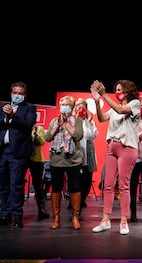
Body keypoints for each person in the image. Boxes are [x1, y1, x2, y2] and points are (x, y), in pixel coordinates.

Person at [90, 80, 141, 235]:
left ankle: (124, 222)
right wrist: (98, 101)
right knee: (108, 185)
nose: (117, 92)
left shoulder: (135, 104)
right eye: (116, 90)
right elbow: (101, 118)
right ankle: (105, 220)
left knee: (124, 186)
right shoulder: (113, 108)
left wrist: (104, 94)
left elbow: (120, 110)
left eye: (120, 90)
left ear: (128, 90)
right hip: (112, 147)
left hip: (127, 148)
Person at [0, 81, 37, 228]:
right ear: (10, 93)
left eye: (20, 93)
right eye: (15, 93)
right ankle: (5, 214)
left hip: (18, 153)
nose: (17, 96)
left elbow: (28, 125)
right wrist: (5, 117)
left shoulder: (29, 108)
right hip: (3, 151)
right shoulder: (3, 107)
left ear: (25, 95)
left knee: (16, 185)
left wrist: (14, 115)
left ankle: (17, 216)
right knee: (3, 186)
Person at [44, 95, 84, 230]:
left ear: (72, 107)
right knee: (56, 188)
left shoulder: (77, 121)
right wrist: (57, 125)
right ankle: (56, 217)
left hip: (73, 159)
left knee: (74, 187)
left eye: (67, 105)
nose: (64, 107)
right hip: (56, 159)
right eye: (62, 104)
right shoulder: (54, 120)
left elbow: (78, 135)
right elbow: (47, 137)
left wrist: (66, 123)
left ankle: (75, 216)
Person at [72, 98, 98, 210]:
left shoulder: (89, 122)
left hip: (87, 155)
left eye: (82, 106)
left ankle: (82, 200)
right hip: (75, 155)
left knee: (87, 181)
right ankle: (73, 201)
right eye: (78, 106)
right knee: (75, 180)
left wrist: (90, 123)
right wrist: (74, 117)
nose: (80, 108)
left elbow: (93, 136)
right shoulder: (71, 120)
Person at [29, 124, 50, 220]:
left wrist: (35, 133)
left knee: (38, 185)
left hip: (37, 159)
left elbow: (41, 142)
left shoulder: (39, 128)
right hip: (22, 158)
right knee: (17, 184)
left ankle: (41, 209)